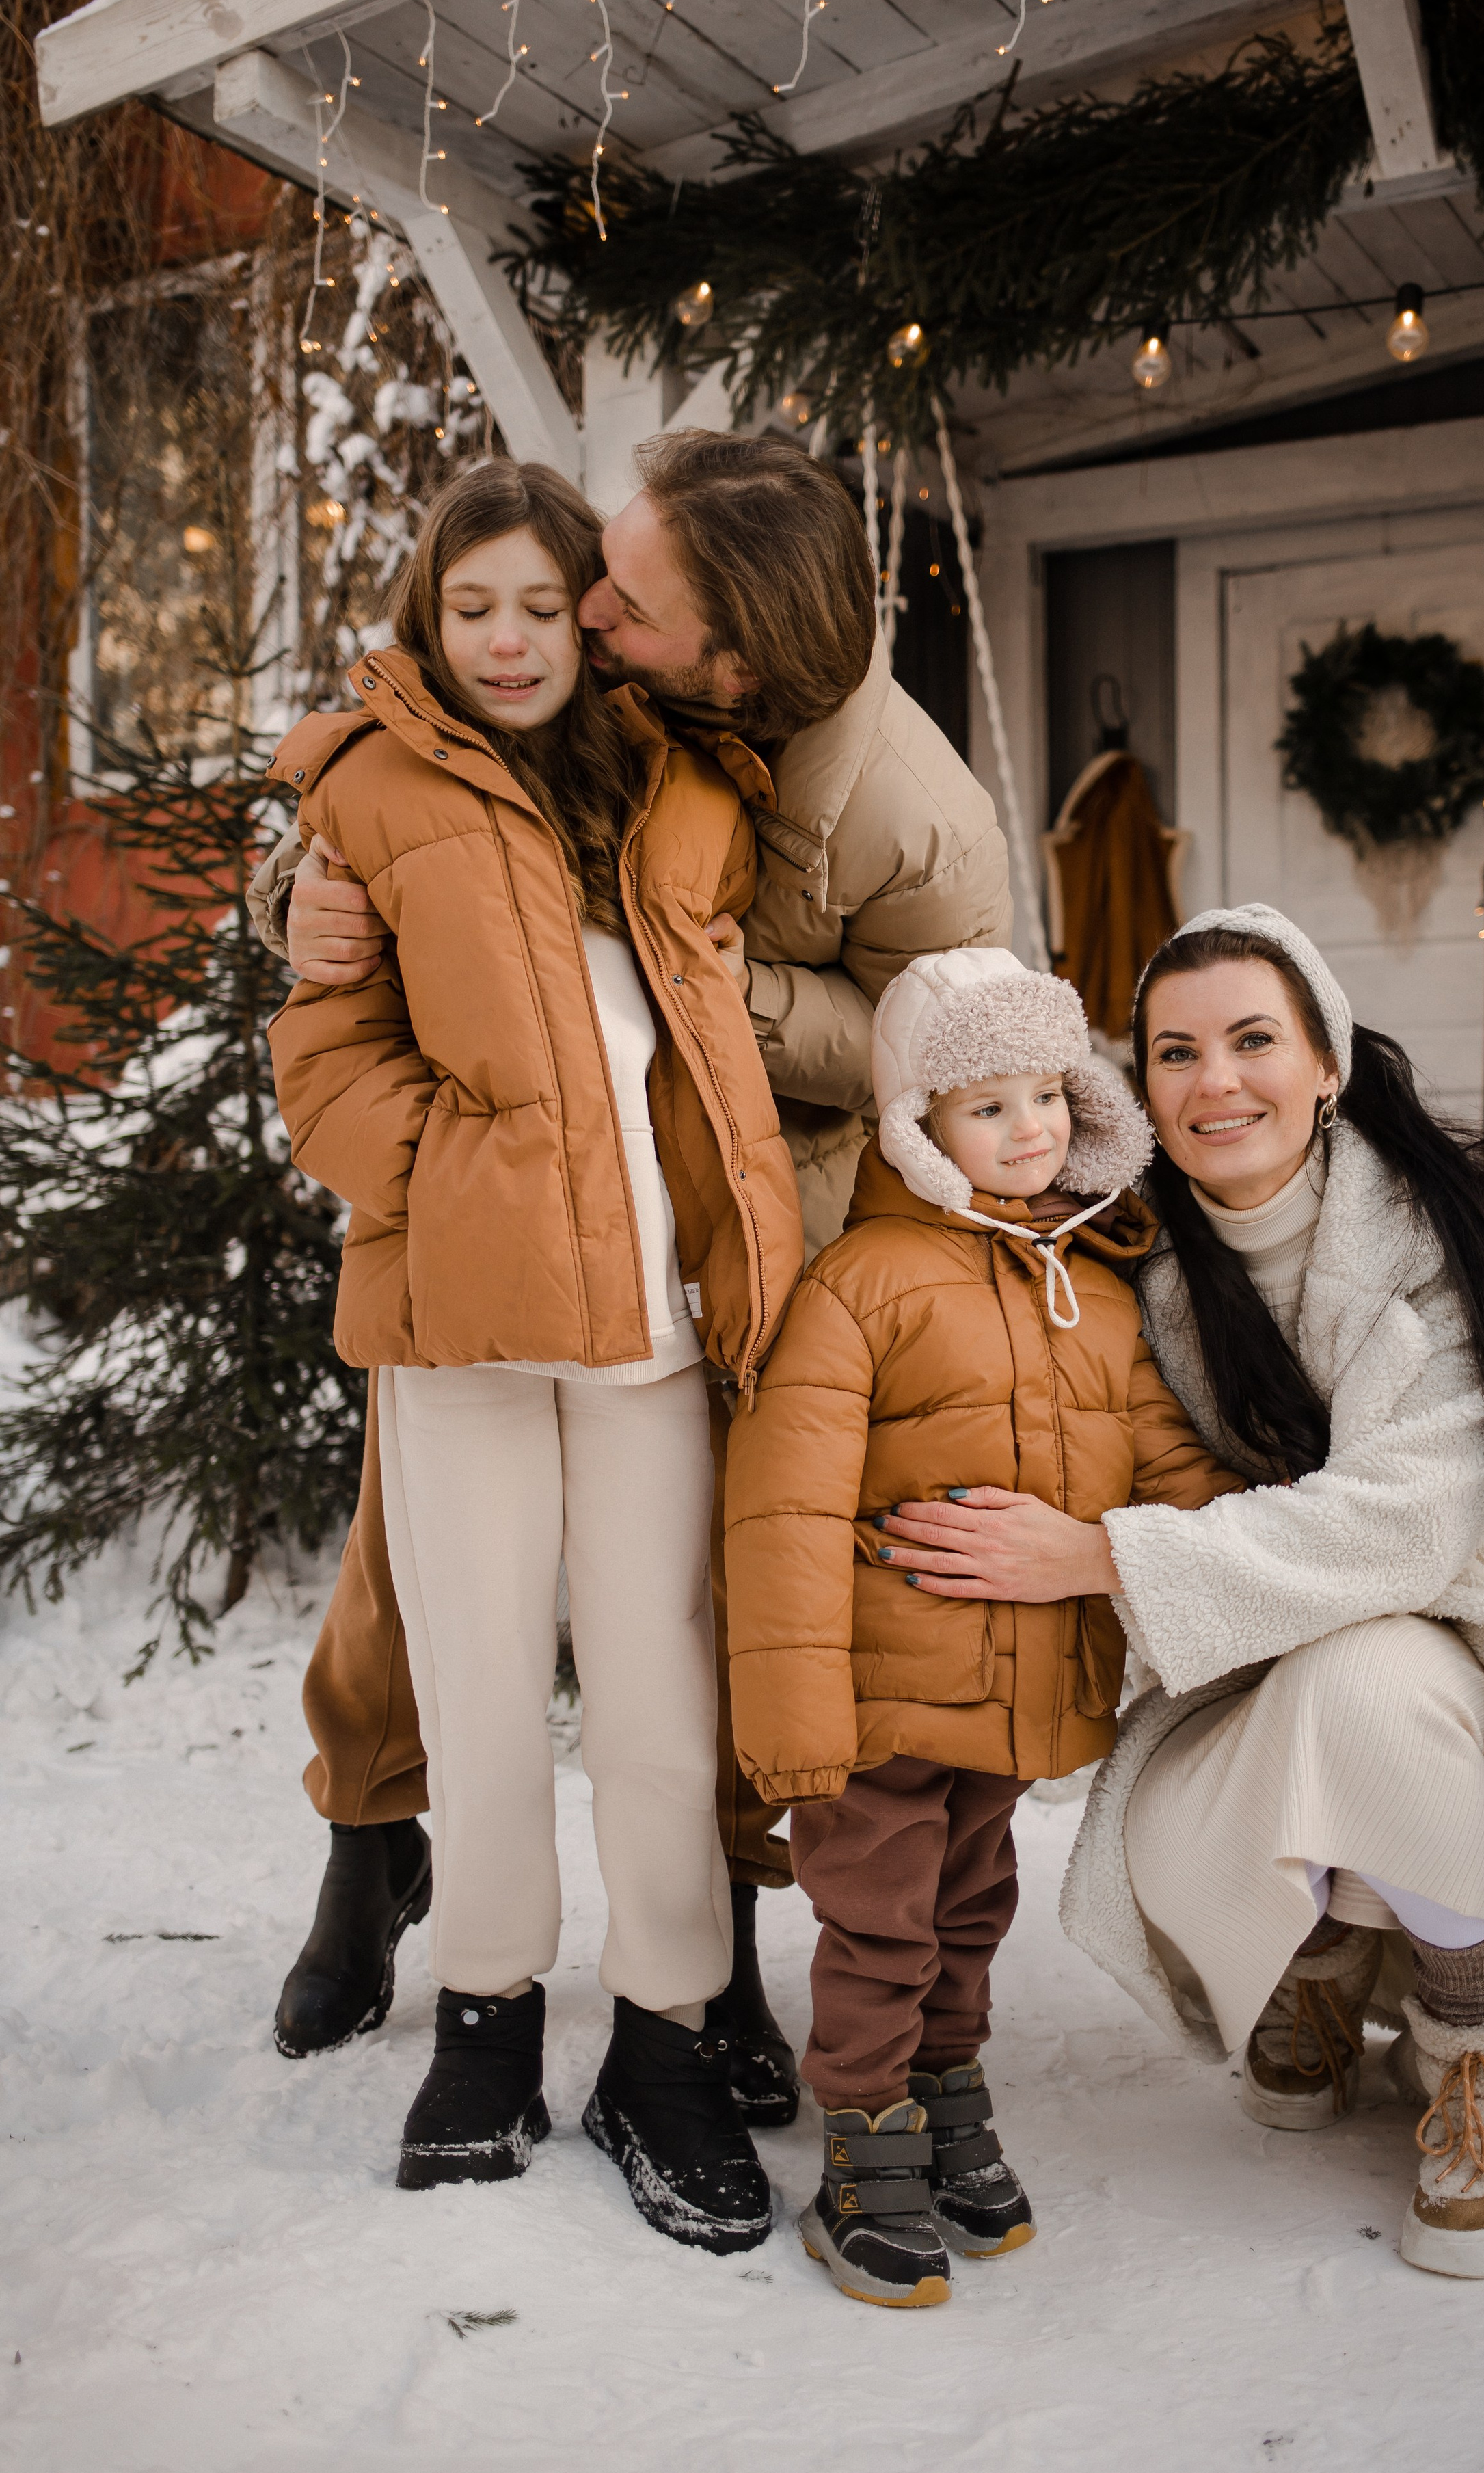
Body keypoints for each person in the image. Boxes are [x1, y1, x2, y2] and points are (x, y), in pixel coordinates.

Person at [250, 431, 1012, 2124]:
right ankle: (440, 1944)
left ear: (726, 659)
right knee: (446, 1636)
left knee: (682, 1657)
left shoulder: (764, 790)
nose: (562, 626)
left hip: (724, 1260)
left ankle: (683, 2002)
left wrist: (724, 1035)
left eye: (594, 599)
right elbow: (350, 948)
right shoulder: (437, 756)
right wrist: (444, 1165)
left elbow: (953, 1047)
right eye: (494, 605)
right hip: (465, 1298)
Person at [881, 903, 1484, 2281]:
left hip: (1466, 1662)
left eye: (1252, 1040)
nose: (1213, 1080)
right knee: (1219, 1768)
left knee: (1360, 1675)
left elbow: (1401, 1529)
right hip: (1241, 1674)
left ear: (1323, 1061)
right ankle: (1305, 1957)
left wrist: (1099, 1555)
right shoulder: (1128, 1264)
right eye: (1174, 1053)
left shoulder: (1441, 1242)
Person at [266, 455, 805, 2249]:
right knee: (485, 1685)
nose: (505, 641)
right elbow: (323, 1053)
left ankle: (663, 2036)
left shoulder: (688, 789)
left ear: (592, 611)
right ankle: (488, 2015)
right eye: (468, 605)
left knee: (661, 1696)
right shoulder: (371, 792)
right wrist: (447, 1178)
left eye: (535, 604)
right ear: (432, 614)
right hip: (457, 1333)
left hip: (655, 1332)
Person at [725, 948, 1245, 2305]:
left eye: (1047, 1099)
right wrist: (788, 1723)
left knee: (968, 1912)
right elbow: (781, 1513)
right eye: (986, 1107)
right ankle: (864, 2135)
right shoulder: (864, 1285)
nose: (1028, 1132)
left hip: (1012, 1696)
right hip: (878, 1700)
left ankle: (945, 2089)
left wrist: (1253, 1548)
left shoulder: (1101, 1296)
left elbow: (1161, 1466)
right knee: (880, 1926)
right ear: (916, 1128)